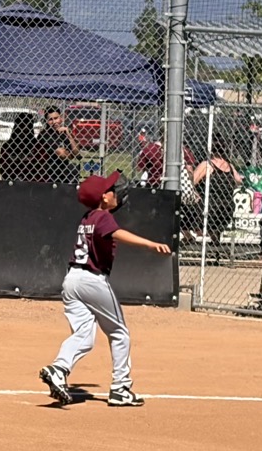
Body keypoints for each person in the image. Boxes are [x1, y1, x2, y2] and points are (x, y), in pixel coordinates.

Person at [38, 172, 172, 408]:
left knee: (83, 336)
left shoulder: (87, 217)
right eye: (111, 190)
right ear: (103, 197)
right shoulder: (102, 216)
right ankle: (121, 388)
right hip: (92, 280)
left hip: (71, 280)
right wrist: (149, 244)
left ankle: (58, 369)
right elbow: (116, 233)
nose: (116, 192)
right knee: (119, 332)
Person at [24, 106, 79, 183]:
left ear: (61, 118)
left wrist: (69, 136)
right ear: (46, 121)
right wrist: (71, 155)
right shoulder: (45, 135)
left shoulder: (64, 133)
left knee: (73, 170)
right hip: (49, 174)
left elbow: (76, 152)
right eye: (50, 119)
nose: (54, 122)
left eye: (56, 118)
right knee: (72, 168)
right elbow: (62, 154)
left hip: (63, 172)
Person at [0, 112, 37, 182]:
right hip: (10, 180)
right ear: (16, 127)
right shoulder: (7, 146)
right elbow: (3, 168)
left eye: (27, 126)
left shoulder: (36, 146)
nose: (24, 129)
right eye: (21, 125)